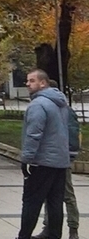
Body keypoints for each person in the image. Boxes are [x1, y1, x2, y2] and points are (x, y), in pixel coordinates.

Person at [17, 69, 71, 239]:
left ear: (43, 83)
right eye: (27, 80)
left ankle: (24, 235)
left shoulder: (38, 104)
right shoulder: (60, 103)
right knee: (55, 202)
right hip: (60, 161)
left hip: (41, 162)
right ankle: (54, 235)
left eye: (32, 81)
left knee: (31, 202)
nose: (27, 84)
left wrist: (26, 159)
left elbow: (34, 134)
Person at [32, 99, 81, 239]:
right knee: (50, 194)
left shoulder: (63, 110)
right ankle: (48, 227)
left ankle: (73, 228)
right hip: (50, 157)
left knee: (67, 194)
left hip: (61, 158)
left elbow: (71, 134)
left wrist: (69, 155)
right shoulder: (49, 109)